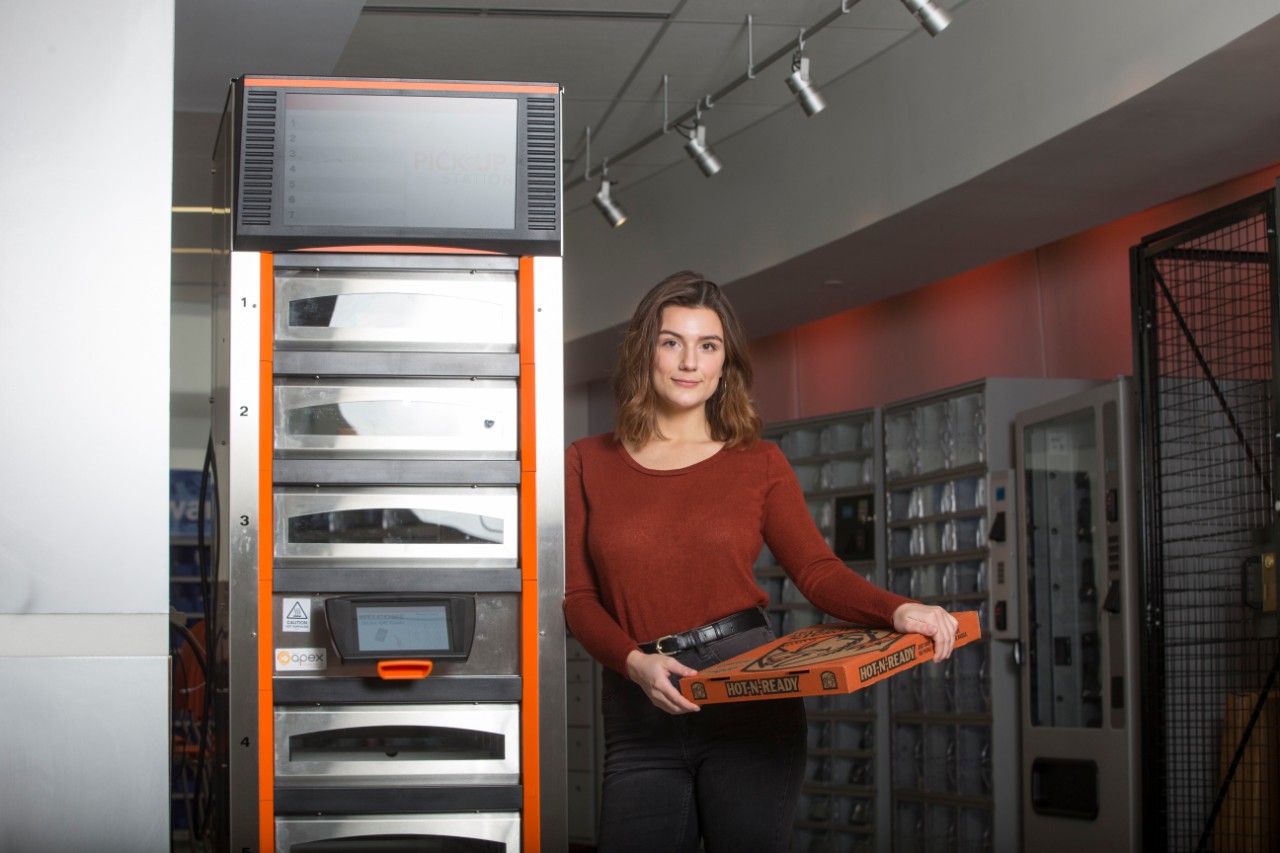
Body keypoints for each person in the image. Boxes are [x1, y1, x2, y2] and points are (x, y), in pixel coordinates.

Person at [563, 271, 959, 852]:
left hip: (747, 692)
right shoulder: (587, 460)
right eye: (672, 342)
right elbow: (578, 599)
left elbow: (817, 572)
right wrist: (634, 663)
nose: (689, 362)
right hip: (639, 703)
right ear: (644, 351)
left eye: (708, 345)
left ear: (725, 363)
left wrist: (898, 610)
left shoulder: (760, 462)